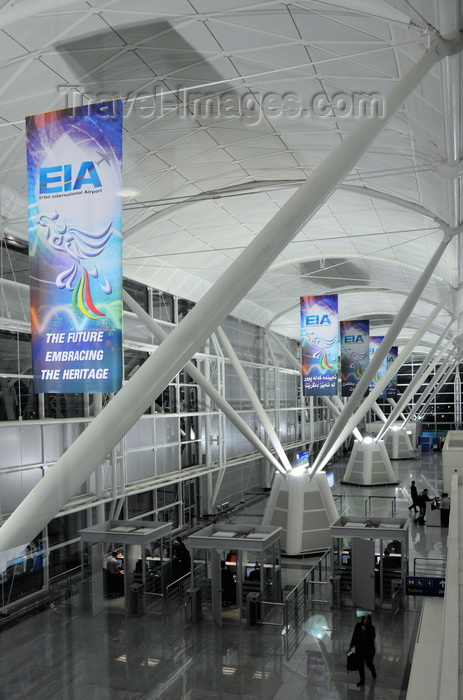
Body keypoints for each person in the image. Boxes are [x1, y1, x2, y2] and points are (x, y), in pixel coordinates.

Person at [349, 614, 376, 686]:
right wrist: (351, 645)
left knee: (368, 663)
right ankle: (362, 680)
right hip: (360, 649)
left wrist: (366, 631)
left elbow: (372, 637)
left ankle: (373, 672)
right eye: (364, 619)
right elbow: (354, 635)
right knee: (360, 665)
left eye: (367, 619)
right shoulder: (358, 625)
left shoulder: (372, 628)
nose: (366, 620)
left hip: (369, 650)